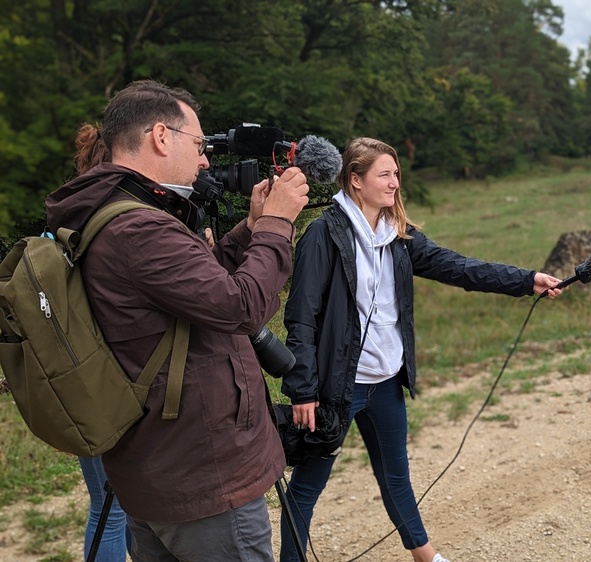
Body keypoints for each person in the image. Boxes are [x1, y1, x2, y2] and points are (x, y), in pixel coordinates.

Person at [45, 79, 309, 561]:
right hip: (201, 476)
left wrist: (249, 228)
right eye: (198, 143)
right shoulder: (139, 227)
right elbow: (240, 307)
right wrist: (277, 224)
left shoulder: (114, 211)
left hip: (161, 467)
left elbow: (199, 289)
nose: (206, 159)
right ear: (161, 137)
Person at [280, 137, 563, 562]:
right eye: (385, 174)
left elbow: (459, 267)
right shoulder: (323, 234)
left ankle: (426, 556)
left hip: (387, 384)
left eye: (397, 174)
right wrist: (302, 388)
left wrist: (526, 280)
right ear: (355, 180)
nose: (395, 183)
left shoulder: (397, 234)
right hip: (339, 388)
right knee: (305, 489)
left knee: (397, 477)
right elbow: (301, 315)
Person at [72, 123, 132, 562]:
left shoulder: (71, 217)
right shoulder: (118, 220)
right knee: (114, 509)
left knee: (112, 505)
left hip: (82, 381)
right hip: (111, 385)